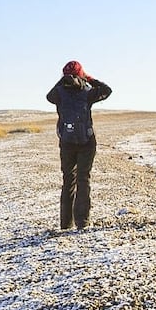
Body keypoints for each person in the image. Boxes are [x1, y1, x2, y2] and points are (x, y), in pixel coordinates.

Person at [46, 60, 112, 230]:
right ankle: (82, 222)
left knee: (68, 181)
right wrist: (89, 79)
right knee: (83, 179)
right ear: (81, 73)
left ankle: (66, 223)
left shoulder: (59, 93)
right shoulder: (87, 92)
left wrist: (63, 80)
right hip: (86, 141)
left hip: (67, 141)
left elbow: (49, 96)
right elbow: (107, 90)